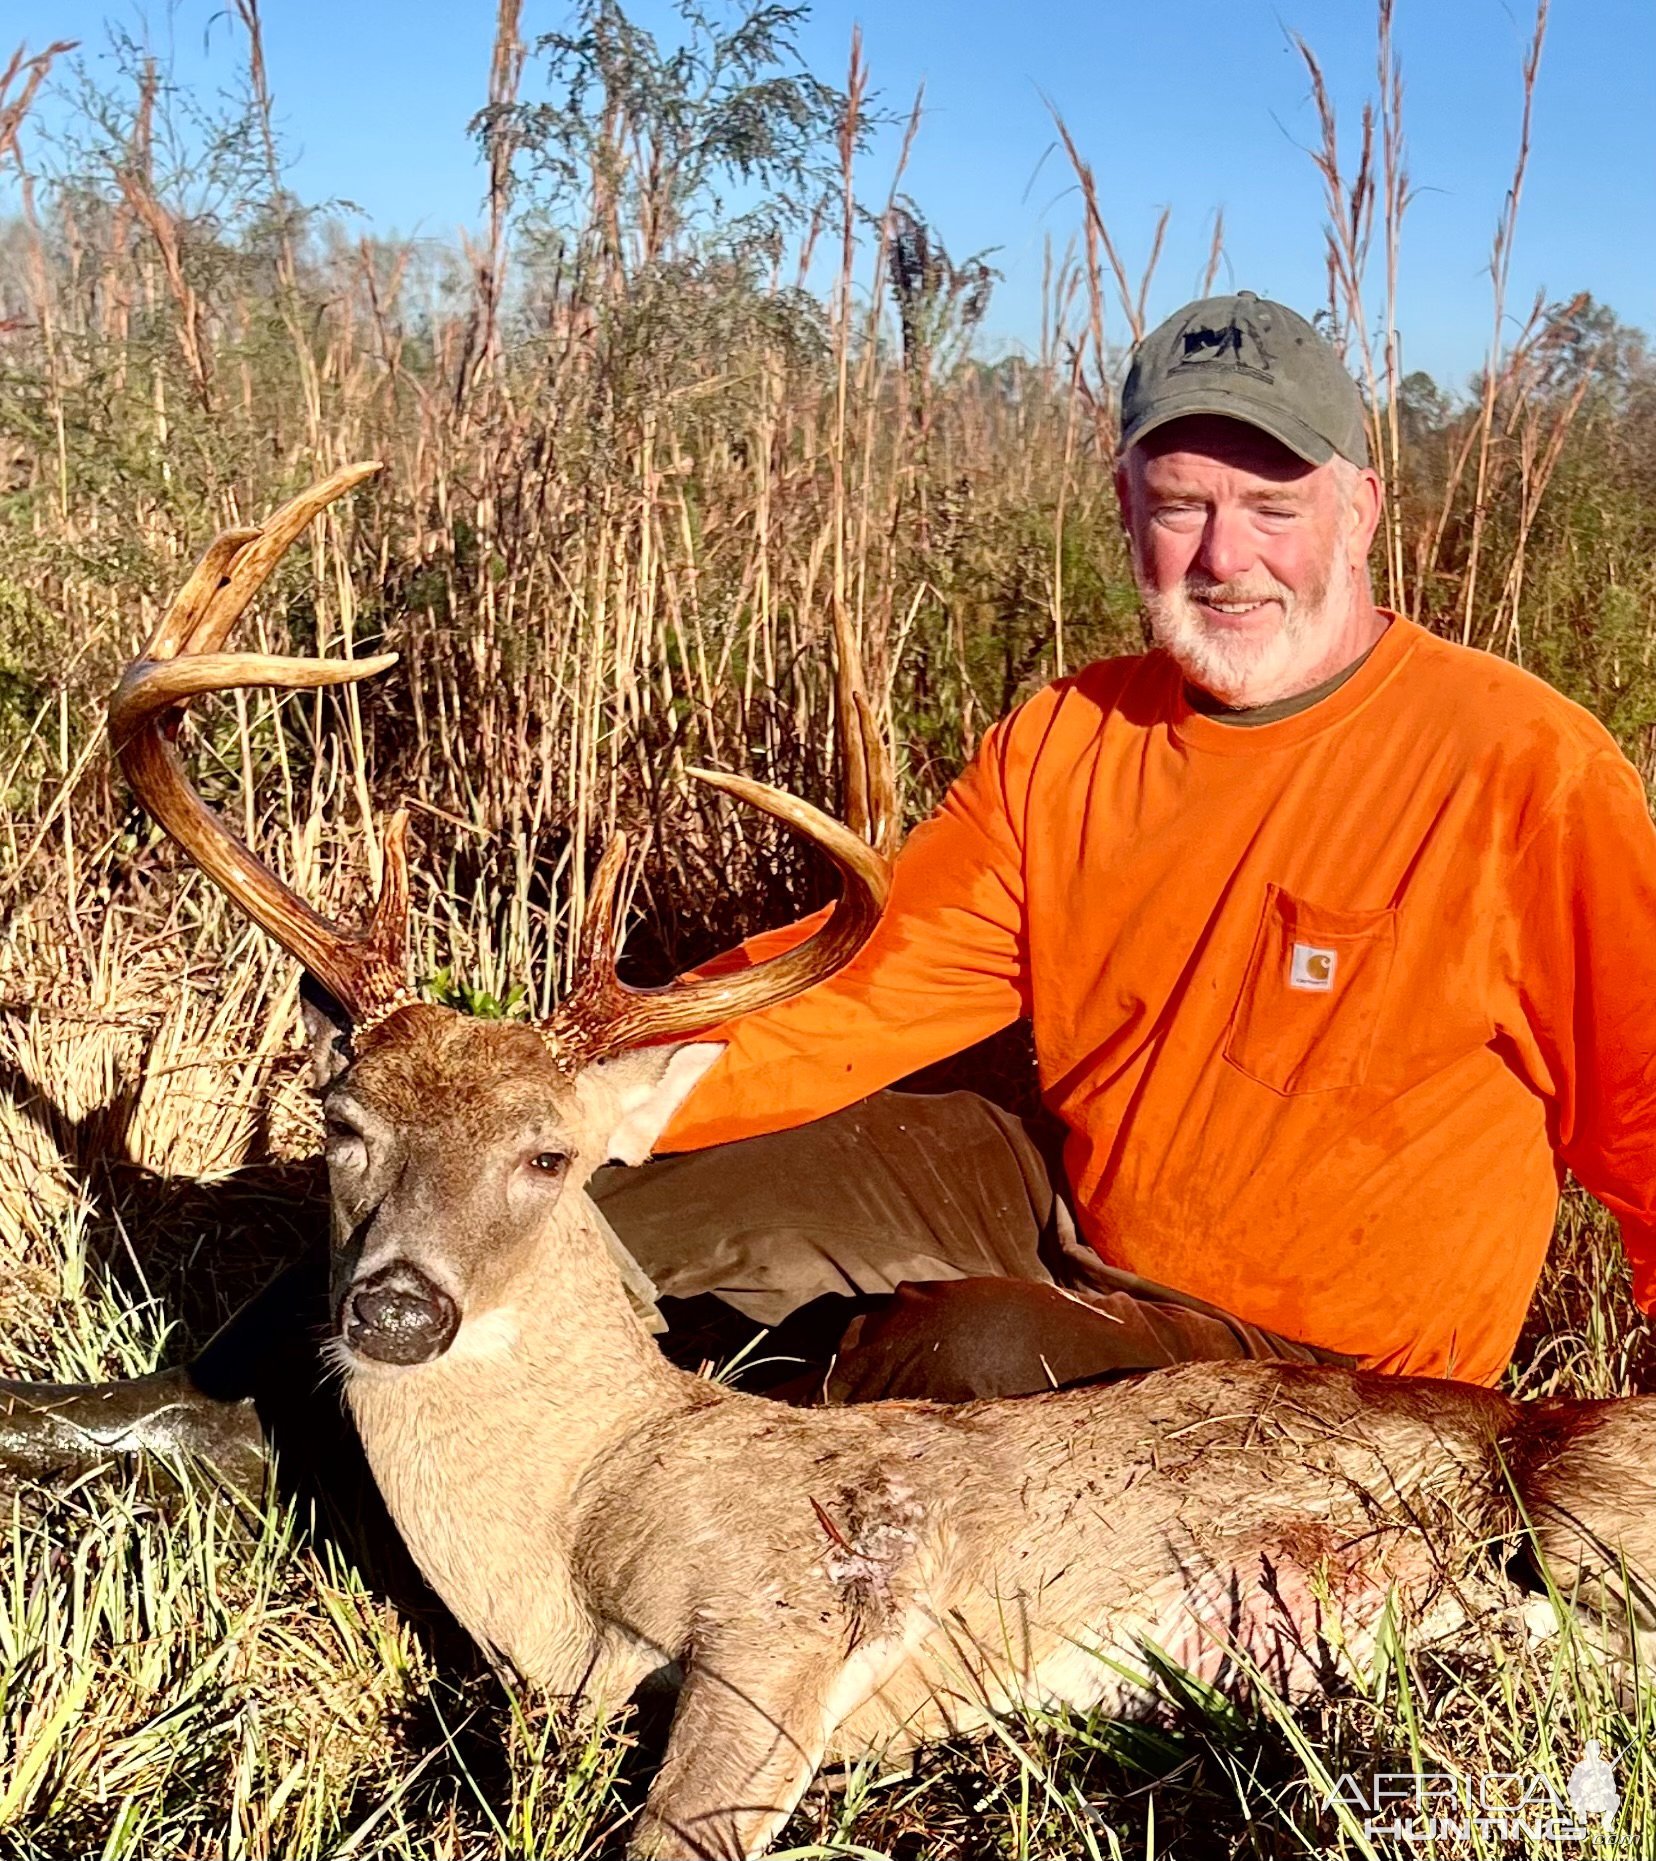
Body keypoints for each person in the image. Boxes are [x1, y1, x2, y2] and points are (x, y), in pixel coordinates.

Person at [5, 292, 1656, 1486]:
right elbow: (876, 984)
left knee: (970, 1369)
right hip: (1066, 1194)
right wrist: (580, 1091)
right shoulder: (1072, 735)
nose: (1227, 554)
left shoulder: (1525, 771)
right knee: (564, 1196)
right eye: (1181, 504)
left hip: (1325, 1378)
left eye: (1274, 503)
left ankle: (680, 1492)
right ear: (1127, 512)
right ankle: (210, 1419)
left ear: (1364, 507)